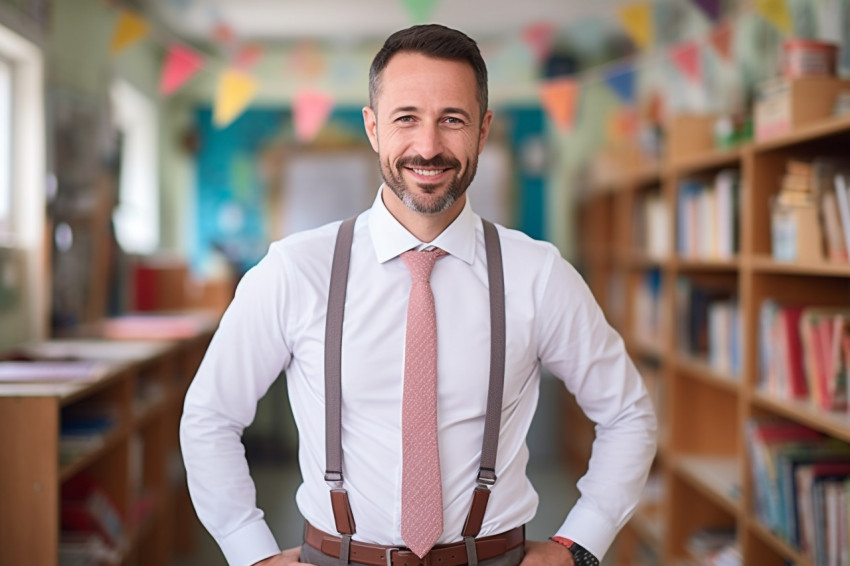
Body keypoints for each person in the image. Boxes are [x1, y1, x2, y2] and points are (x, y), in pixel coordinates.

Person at [180, 23, 657, 566]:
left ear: (483, 131)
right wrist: (252, 553)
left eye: (452, 120)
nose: (428, 147)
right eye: (406, 118)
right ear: (373, 127)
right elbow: (209, 417)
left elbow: (628, 415)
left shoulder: (538, 273)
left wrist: (579, 546)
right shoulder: (295, 269)